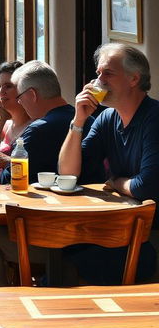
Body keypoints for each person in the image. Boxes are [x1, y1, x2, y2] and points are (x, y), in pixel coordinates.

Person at [0, 60, 92, 328]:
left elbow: (10, 182)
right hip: (95, 235)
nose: (20, 102)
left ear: (33, 95)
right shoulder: (92, 120)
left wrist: (9, 165)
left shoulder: (38, 129)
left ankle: (3, 323)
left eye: (21, 96)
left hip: (51, 241)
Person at [58, 43, 159, 284]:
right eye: (98, 73)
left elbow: (146, 188)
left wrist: (116, 181)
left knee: (77, 253)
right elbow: (68, 174)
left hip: (150, 230)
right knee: (65, 246)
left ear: (134, 79)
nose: (98, 80)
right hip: (119, 224)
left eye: (108, 74)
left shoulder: (154, 118)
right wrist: (78, 121)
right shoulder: (107, 117)